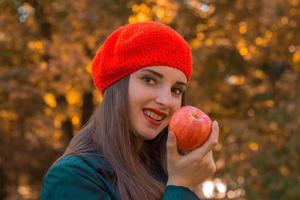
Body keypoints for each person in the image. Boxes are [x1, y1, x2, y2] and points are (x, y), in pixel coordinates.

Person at [40, 21, 219, 200]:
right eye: (149, 80)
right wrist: (181, 186)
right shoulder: (71, 178)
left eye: (176, 90)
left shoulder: (166, 171)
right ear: (117, 85)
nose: (165, 101)